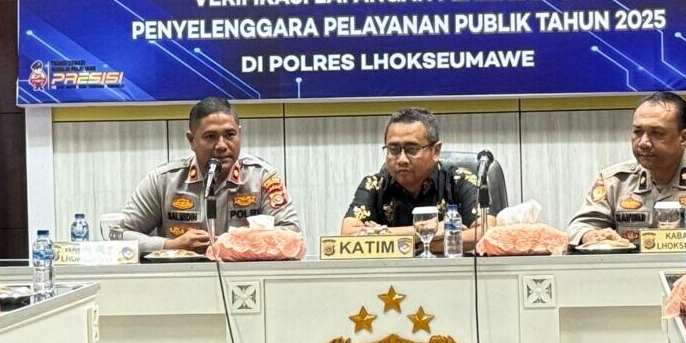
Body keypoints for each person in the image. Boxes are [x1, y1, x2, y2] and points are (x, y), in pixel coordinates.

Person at [567, 91, 686, 246]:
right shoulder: (614, 180)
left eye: (657, 133)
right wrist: (592, 236)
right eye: (637, 132)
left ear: (683, 138)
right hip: (633, 276)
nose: (643, 142)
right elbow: (579, 226)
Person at [118, 97, 301, 253]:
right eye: (210, 136)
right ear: (192, 140)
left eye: (230, 135)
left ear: (239, 134)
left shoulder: (262, 177)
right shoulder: (164, 181)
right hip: (181, 276)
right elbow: (118, 234)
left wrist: (238, 241)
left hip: (244, 275)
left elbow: (292, 234)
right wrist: (170, 245)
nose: (221, 145)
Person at [341, 107, 491, 253]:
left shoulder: (460, 181)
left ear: (435, 151)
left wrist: (406, 242)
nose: (402, 159)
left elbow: (486, 231)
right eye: (393, 149)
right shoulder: (374, 185)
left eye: (412, 149)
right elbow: (348, 236)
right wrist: (430, 230)